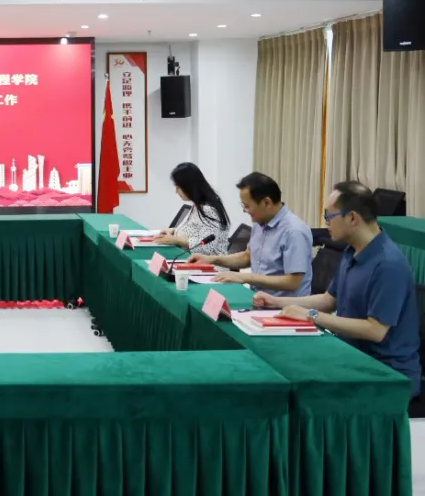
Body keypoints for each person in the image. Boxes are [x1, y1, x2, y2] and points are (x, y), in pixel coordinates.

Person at [255, 181, 421, 396]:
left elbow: (375, 330)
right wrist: (276, 302)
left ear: (352, 218)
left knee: (298, 386)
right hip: (352, 356)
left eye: (329, 216)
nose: (326, 224)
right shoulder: (352, 251)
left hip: (386, 374)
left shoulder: (389, 264)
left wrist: (311, 316)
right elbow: (328, 300)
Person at [188, 172, 312, 296]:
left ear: (267, 203)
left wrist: (244, 277)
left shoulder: (294, 231)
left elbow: (292, 282)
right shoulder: (260, 223)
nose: (244, 210)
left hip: (283, 305)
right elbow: (247, 257)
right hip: (258, 299)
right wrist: (211, 259)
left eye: (247, 206)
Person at [154, 162, 231, 256]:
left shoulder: (208, 210)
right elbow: (195, 229)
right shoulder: (198, 205)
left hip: (211, 263)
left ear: (188, 186)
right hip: (194, 258)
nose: (176, 192)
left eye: (178, 188)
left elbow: (206, 246)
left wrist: (175, 240)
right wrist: (174, 231)